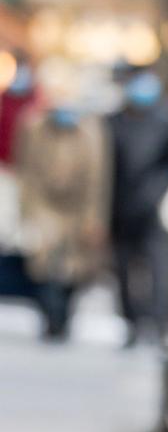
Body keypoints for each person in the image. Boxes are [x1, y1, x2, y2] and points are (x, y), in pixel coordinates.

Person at [14, 93, 110, 340]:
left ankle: (65, 315)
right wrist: (27, 213)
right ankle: (51, 318)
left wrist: (93, 219)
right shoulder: (35, 128)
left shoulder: (91, 135)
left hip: (77, 208)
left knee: (73, 267)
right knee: (43, 264)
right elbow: (27, 172)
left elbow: (97, 181)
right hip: (45, 204)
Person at [106, 66, 168, 349]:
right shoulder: (113, 123)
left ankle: (162, 327)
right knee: (122, 272)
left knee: (159, 271)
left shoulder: (167, 120)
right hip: (118, 211)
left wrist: (154, 192)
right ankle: (132, 324)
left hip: (151, 211)